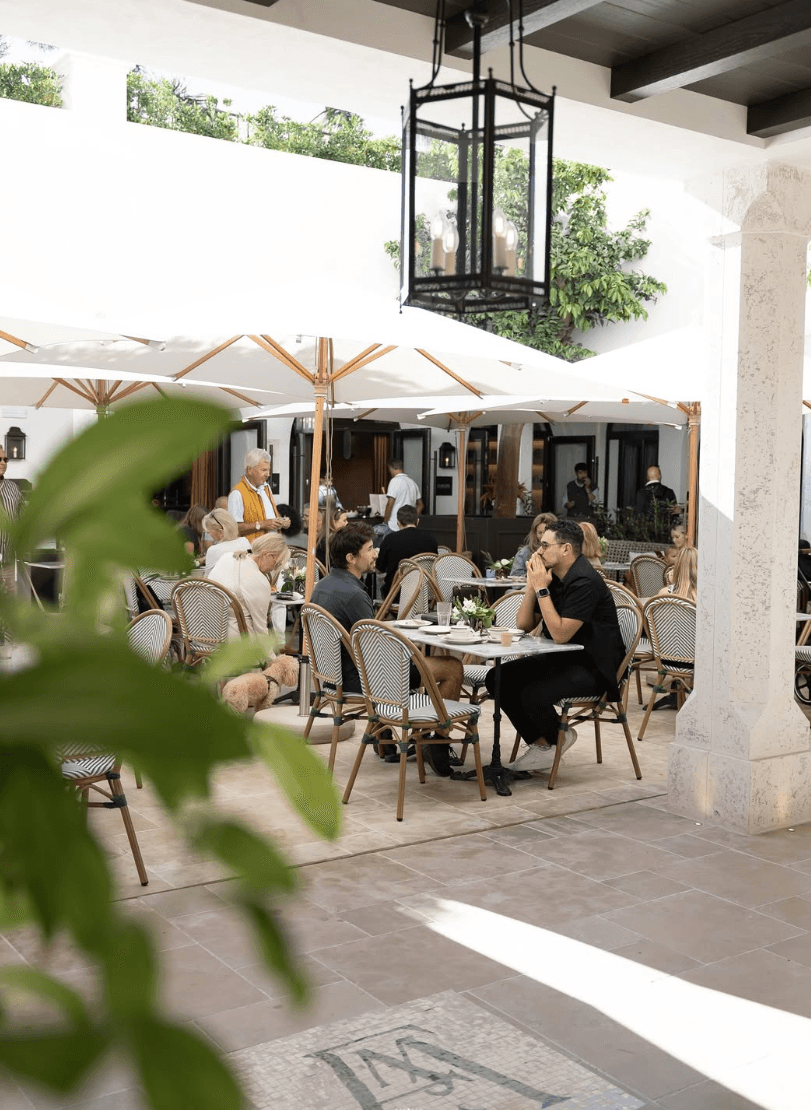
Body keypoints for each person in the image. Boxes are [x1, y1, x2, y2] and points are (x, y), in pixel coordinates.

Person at [311, 523, 462, 774]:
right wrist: (408, 650)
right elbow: (375, 652)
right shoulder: (354, 594)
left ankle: (390, 739)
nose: (376, 554)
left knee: (420, 664)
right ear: (351, 558)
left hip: (332, 677)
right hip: (362, 680)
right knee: (452, 668)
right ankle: (436, 743)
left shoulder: (323, 585)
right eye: (370, 549)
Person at [488, 518, 625, 773]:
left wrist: (541, 588)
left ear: (565, 549)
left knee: (531, 692)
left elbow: (560, 634)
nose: (538, 551)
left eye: (544, 545)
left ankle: (556, 738)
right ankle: (545, 744)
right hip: (562, 659)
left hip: (594, 668)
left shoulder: (585, 581)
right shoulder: (555, 576)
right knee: (497, 677)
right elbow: (524, 625)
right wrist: (532, 585)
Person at [208, 531, 289, 640]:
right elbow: (260, 630)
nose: (274, 569)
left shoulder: (226, 557)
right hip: (235, 641)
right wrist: (271, 651)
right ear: (266, 555)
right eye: (277, 564)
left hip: (203, 632)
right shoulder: (259, 581)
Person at [375, 504, 438, 597]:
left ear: (398, 523)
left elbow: (379, 570)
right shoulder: (431, 540)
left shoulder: (390, 539)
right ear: (417, 521)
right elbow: (434, 568)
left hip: (396, 595)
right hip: (424, 594)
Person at [227, 449, 288, 542]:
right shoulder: (237, 493)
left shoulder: (266, 488)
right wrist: (262, 525)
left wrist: (281, 522)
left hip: (272, 545)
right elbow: (234, 528)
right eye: (264, 470)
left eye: (268, 470)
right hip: (252, 548)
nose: (268, 474)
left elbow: (268, 516)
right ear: (250, 470)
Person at [0, 446, 23, 596]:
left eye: (5, 459)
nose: (3, 463)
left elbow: (22, 520)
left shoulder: (13, 489)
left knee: (10, 602)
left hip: (7, 563)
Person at [382, 459, 422, 534]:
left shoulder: (394, 481)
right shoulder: (412, 483)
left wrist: (385, 522)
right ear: (403, 468)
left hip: (394, 526)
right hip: (409, 526)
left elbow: (390, 503)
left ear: (391, 468)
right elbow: (420, 505)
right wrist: (412, 518)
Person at [510, 512, 557, 577]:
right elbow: (515, 577)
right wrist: (534, 575)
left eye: (546, 532)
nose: (543, 536)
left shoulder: (562, 550)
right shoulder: (524, 553)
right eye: (540, 533)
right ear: (535, 534)